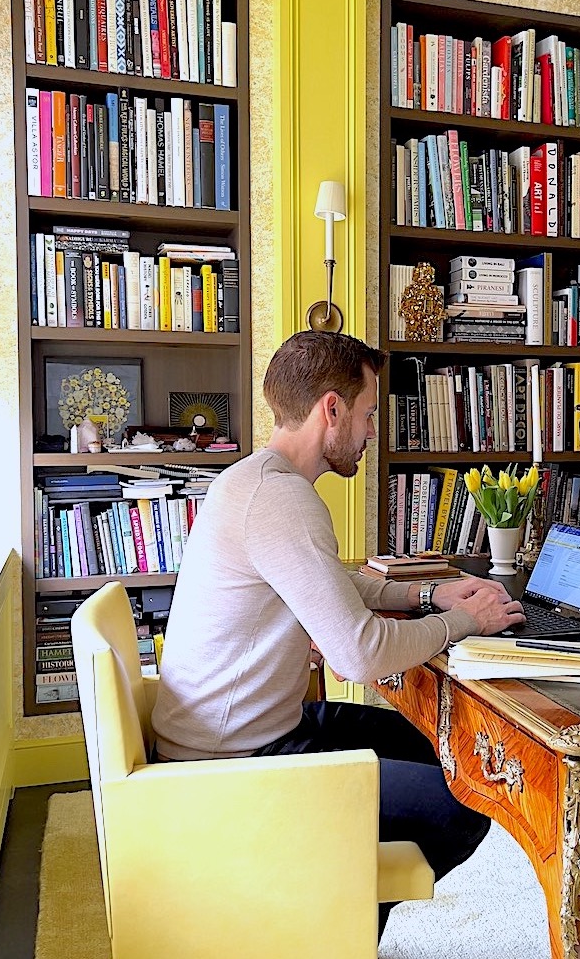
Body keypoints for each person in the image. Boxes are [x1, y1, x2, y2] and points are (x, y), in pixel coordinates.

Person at [152, 330, 525, 936]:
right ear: (332, 409)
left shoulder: (257, 479)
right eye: (369, 413)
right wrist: (466, 621)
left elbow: (328, 580)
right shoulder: (281, 500)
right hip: (237, 764)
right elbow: (359, 654)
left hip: (257, 728)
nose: (373, 431)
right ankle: (335, 921)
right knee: (468, 805)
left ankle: (341, 916)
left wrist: (426, 594)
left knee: (440, 750)